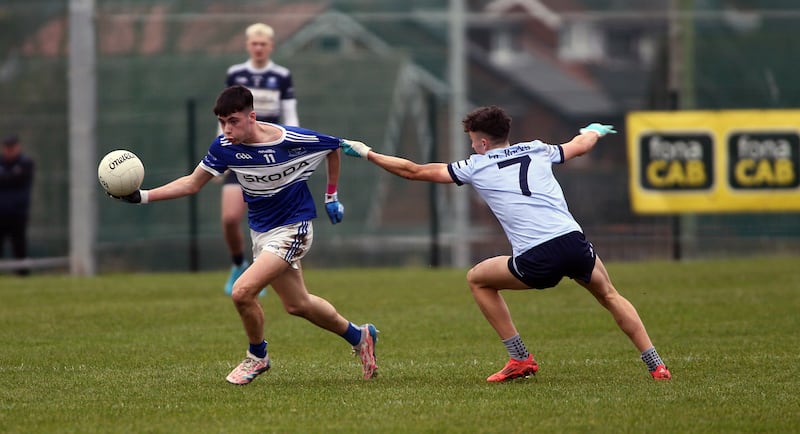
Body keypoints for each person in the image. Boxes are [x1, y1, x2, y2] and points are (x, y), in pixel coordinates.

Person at [341, 105, 671, 382]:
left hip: (537, 257)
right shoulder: (538, 148)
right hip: (573, 241)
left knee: (477, 279)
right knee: (610, 295)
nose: (471, 147)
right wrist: (594, 131)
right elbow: (580, 145)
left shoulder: (476, 165)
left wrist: (367, 153)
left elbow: (413, 171)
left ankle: (520, 358)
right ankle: (656, 365)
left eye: (472, 141)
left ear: (483, 142)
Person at [111, 85, 378, 384]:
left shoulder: (289, 140)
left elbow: (334, 148)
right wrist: (142, 196)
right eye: (223, 122)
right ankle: (361, 335)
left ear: (252, 117)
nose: (227, 128)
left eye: (233, 121)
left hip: (294, 228)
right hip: (261, 233)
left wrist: (331, 196)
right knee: (297, 304)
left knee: (242, 291)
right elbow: (191, 183)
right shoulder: (223, 147)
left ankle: (257, 357)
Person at [220, 23, 300, 295]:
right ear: (247, 45)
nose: (258, 47)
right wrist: (220, 150)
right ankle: (238, 264)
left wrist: (292, 149)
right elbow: (225, 114)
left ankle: (261, 271)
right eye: (254, 43)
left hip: (270, 158)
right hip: (239, 155)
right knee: (230, 218)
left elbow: (290, 116)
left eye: (263, 43)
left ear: (271, 46)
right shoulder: (237, 74)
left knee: (273, 220)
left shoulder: (281, 76)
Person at [0, 134, 34, 276]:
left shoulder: (26, 163)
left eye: (12, 147)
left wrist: (6, 177)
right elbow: (12, 179)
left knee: (19, 247)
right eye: (6, 147)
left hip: (18, 214)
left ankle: (23, 276)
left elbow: (15, 179)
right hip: (0, 214)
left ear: (18, 147)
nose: (9, 150)